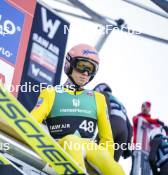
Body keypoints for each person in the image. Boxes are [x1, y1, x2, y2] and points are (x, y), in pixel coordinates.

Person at [31, 44, 125, 175]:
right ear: (69, 64)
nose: (86, 73)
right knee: (71, 141)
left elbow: (106, 139)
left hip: (89, 147)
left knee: (118, 169)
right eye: (82, 66)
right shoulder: (51, 93)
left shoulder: (98, 98)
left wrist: (105, 160)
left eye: (91, 69)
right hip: (62, 144)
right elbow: (32, 122)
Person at [94, 83, 133, 161]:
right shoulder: (120, 104)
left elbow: (106, 108)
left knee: (93, 153)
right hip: (124, 133)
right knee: (112, 164)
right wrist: (127, 147)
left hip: (112, 124)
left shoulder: (103, 94)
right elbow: (130, 128)